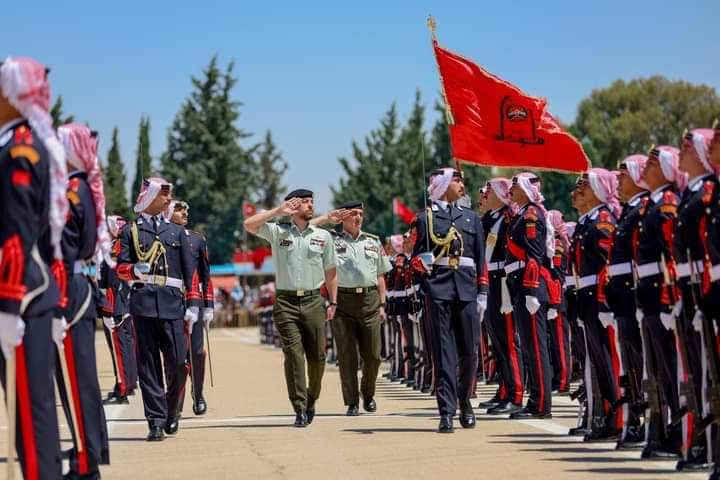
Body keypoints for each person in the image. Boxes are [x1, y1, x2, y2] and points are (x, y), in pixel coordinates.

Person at [0, 56, 67, 480]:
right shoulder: (16, 142)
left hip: (20, 292)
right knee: (26, 410)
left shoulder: (21, 147)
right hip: (21, 290)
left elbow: (18, 230)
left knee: (31, 411)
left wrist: (8, 304)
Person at [116, 177, 201, 441]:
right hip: (142, 305)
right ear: (151, 197)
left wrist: (194, 304)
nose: (168, 200)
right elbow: (119, 268)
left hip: (173, 305)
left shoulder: (176, 232)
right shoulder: (130, 231)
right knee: (148, 366)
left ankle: (172, 410)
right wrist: (132, 271)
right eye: (164, 195)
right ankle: (154, 420)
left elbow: (191, 272)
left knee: (178, 363)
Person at [244, 189, 338, 427]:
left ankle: (311, 399)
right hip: (285, 302)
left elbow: (330, 272)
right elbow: (249, 224)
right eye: (304, 202)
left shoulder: (323, 236)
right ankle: (299, 407)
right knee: (293, 356)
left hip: (314, 301)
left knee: (317, 357)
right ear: (294, 206)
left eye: (311, 201)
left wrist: (333, 301)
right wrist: (278, 211)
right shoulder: (279, 232)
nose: (310, 205)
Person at [56, 123, 113, 477]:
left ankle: (86, 461)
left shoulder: (71, 191)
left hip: (67, 285)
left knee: (74, 379)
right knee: (82, 380)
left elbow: (61, 247)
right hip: (76, 283)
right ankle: (91, 450)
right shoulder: (81, 188)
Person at [411, 168, 487, 433]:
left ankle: (465, 400)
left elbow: (480, 259)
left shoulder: (471, 218)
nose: (462, 184)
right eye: (456, 180)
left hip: (466, 288)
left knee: (469, 351)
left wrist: (483, 291)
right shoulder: (425, 218)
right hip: (439, 289)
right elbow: (417, 258)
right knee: (443, 354)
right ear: (443, 185)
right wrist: (423, 281)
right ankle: (446, 411)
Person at [312, 201, 392, 415]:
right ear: (343, 217)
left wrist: (383, 304)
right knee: (347, 356)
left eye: (361, 214)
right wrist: (329, 217)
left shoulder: (373, 241)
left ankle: (368, 393)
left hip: (370, 301)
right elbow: (308, 229)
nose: (358, 217)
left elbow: (381, 275)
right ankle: (352, 402)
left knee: (374, 355)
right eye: (353, 214)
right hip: (343, 302)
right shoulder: (331, 239)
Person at [633, 146, 685, 459]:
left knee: (673, 369)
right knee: (660, 370)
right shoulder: (651, 202)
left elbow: (672, 253)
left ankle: (680, 433)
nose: (646, 170)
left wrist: (669, 300)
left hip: (661, 295)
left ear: (665, 169)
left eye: (652, 164)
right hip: (648, 294)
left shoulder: (667, 202)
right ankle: (668, 430)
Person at [674, 128, 717, 470]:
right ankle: (704, 446)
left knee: (709, 372)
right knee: (700, 371)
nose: (681, 154)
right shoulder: (695, 194)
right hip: (694, 290)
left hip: (705, 287)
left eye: (687, 148)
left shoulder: (706, 193)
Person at [572, 168, 623, 442]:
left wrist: (604, 301)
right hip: (587, 296)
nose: (580, 190)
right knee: (598, 361)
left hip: (599, 296)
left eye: (587, 185)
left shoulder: (603, 220)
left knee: (610, 360)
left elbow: (606, 264)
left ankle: (618, 418)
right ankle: (606, 415)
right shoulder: (587, 221)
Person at [605, 155, 650, 449]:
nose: (618, 182)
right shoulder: (628, 211)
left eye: (623, 176)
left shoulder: (643, 209)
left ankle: (650, 421)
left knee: (647, 366)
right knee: (632, 365)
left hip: (640, 296)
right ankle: (635, 418)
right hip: (624, 299)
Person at [504, 173, 552, 419]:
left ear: (525, 189)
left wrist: (532, 290)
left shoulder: (532, 214)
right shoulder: (521, 214)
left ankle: (541, 403)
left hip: (528, 285)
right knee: (529, 348)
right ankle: (535, 400)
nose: (511, 190)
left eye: (515, 185)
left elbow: (534, 255)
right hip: (518, 284)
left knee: (535, 347)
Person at [478, 178, 524, 415]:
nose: (484, 194)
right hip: (489, 282)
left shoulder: (507, 218)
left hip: (502, 281)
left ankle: (516, 392)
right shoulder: (488, 219)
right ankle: (504, 388)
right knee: (496, 340)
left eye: (488, 190)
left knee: (507, 341)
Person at [168, 200, 215, 416]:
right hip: (170, 304)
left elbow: (205, 275)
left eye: (186, 209)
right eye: (179, 209)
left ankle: (198, 393)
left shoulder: (197, 239)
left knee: (196, 353)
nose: (185, 212)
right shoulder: (162, 237)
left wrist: (208, 305)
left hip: (193, 304)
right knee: (175, 356)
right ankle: (176, 400)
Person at [100, 215, 138, 405]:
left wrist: (109, 308)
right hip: (123, 304)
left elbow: (114, 280)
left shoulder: (117, 246)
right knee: (127, 348)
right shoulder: (122, 244)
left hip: (117, 305)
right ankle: (128, 384)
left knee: (120, 350)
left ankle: (123, 388)